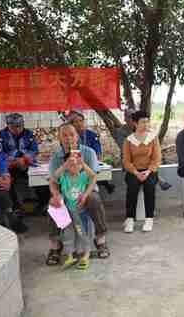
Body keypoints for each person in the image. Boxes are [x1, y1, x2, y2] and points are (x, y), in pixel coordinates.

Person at [46, 123, 110, 266]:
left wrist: (85, 194)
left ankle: (100, 240)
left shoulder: (88, 153)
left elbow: (93, 178)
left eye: (72, 134)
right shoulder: (57, 157)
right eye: (65, 135)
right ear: (59, 138)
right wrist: (56, 195)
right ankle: (55, 246)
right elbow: (54, 181)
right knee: (53, 204)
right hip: (66, 192)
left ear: (77, 136)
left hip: (87, 189)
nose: (69, 138)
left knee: (94, 199)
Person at [53, 150, 97, 270]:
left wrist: (83, 163)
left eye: (78, 164)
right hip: (67, 212)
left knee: (83, 232)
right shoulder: (64, 177)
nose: (75, 166)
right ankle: (70, 255)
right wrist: (65, 165)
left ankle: (86, 254)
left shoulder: (83, 177)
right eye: (71, 164)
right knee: (67, 234)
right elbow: (54, 177)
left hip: (80, 212)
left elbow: (93, 177)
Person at [122, 110, 162, 233]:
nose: (146, 124)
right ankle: (130, 219)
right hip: (134, 171)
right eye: (142, 122)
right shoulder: (128, 140)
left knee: (150, 186)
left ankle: (149, 218)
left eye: (147, 121)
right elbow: (126, 161)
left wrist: (148, 171)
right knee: (132, 187)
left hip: (150, 171)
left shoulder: (153, 138)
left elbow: (157, 158)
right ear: (135, 123)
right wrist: (136, 172)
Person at [115, 108, 171, 191]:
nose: (132, 118)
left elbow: (155, 154)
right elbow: (125, 150)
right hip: (131, 163)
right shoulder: (121, 132)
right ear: (125, 119)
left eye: (133, 116)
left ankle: (156, 178)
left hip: (147, 164)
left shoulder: (148, 132)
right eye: (129, 116)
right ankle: (159, 180)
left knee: (149, 165)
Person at [0, 113, 39, 214]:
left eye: (19, 126)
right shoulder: (0, 136)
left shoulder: (29, 134)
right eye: (13, 127)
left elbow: (34, 150)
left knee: (40, 179)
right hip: (9, 166)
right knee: (8, 180)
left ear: (23, 124)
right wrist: (13, 161)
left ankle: (38, 204)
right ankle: (15, 207)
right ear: (8, 125)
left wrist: (24, 159)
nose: (16, 129)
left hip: (27, 164)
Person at [65, 110, 115, 194]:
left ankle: (102, 184)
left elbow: (98, 153)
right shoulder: (67, 137)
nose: (79, 123)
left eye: (81, 121)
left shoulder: (91, 135)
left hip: (89, 163)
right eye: (75, 122)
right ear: (71, 124)